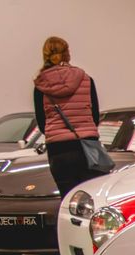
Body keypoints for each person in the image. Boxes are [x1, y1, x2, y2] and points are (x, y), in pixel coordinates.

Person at [32, 36, 102, 195]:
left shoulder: (41, 85)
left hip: (59, 149)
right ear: (67, 54)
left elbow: (42, 123)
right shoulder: (86, 79)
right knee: (91, 196)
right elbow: (95, 116)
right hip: (87, 145)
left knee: (67, 197)